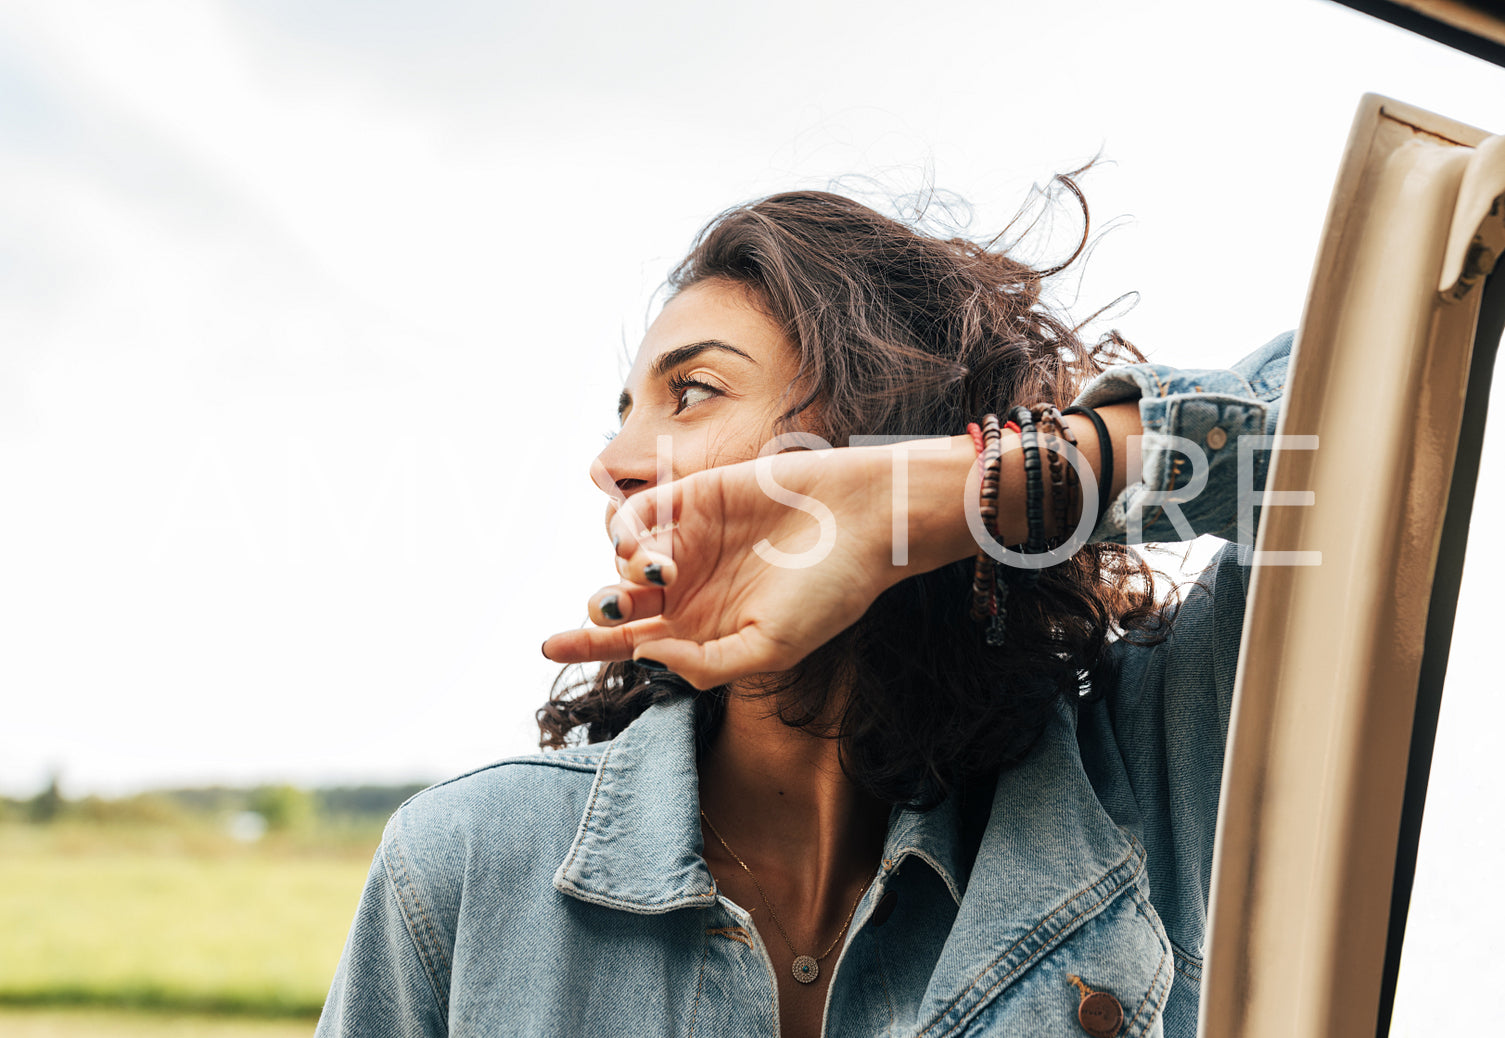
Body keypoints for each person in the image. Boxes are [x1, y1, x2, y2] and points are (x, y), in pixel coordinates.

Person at [316, 183, 1291, 1038]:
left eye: (689, 393)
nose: (610, 463)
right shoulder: (467, 862)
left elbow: (1372, 448)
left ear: (880, 429)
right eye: (623, 411)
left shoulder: (1142, 769)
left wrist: (949, 494)